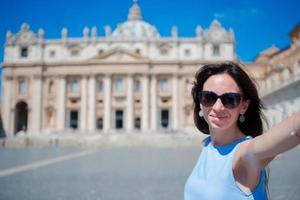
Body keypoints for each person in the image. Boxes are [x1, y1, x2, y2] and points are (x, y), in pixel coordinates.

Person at [184, 61, 300, 200]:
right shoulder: (207, 144)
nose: (218, 107)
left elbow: (291, 129)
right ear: (200, 102)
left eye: (230, 99)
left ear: (244, 106)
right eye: (209, 97)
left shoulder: (245, 153)